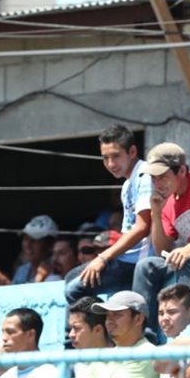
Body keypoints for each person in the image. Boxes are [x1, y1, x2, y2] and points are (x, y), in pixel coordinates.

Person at [134, 142, 190, 334]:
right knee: (145, 266)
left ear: (181, 171)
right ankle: (145, 335)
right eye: (153, 178)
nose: (157, 184)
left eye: (163, 177)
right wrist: (155, 213)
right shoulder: (166, 203)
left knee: (183, 262)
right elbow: (161, 249)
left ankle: (188, 333)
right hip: (189, 257)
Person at [65, 124, 154, 302]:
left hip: (137, 261)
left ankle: (87, 329)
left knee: (74, 290)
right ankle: (96, 324)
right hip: (125, 258)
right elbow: (127, 230)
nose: (111, 164)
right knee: (71, 277)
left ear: (132, 151)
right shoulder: (128, 184)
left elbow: (142, 227)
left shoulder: (144, 177)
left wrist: (104, 257)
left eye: (116, 156)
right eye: (105, 158)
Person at [13, 214, 60, 283]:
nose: (27, 245)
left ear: (51, 245)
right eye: (25, 238)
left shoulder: (58, 270)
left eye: (34, 240)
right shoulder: (22, 271)